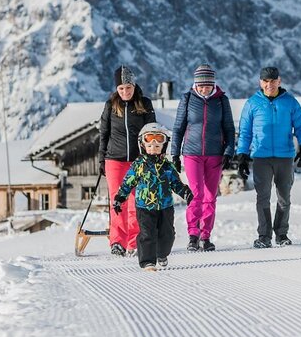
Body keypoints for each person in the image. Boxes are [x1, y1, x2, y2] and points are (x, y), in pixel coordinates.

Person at [234, 66, 301, 248]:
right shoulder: (252, 103)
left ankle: (282, 234)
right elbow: (245, 132)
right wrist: (242, 155)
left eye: (272, 80)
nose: (269, 84)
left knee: (284, 198)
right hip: (261, 157)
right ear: (260, 82)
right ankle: (264, 236)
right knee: (263, 197)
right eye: (265, 81)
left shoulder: (290, 102)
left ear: (279, 81)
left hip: (285, 157)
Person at [170, 64, 236, 252]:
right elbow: (178, 128)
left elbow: (229, 129)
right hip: (192, 153)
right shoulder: (188, 99)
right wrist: (175, 153)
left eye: (208, 85)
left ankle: (205, 236)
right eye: (201, 85)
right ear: (195, 84)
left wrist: (229, 152)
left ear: (213, 84)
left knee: (210, 196)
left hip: (215, 154)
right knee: (196, 194)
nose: (204, 88)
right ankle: (193, 235)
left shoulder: (222, 100)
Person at [113, 123, 193, 271]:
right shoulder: (139, 165)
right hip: (144, 206)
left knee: (167, 235)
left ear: (163, 146)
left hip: (165, 206)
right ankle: (147, 262)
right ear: (143, 145)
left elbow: (176, 183)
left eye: (157, 145)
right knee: (147, 234)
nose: (153, 148)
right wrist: (120, 197)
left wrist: (185, 192)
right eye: (149, 145)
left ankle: (162, 254)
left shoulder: (167, 166)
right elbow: (128, 182)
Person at [97, 65, 157, 257]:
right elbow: (103, 133)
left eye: (128, 88)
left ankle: (134, 242)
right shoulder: (110, 105)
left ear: (134, 84)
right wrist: (101, 159)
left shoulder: (144, 104)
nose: (125, 92)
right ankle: (117, 242)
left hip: (138, 161)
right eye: (121, 88)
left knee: (136, 200)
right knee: (118, 201)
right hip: (114, 160)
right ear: (117, 88)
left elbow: (152, 132)